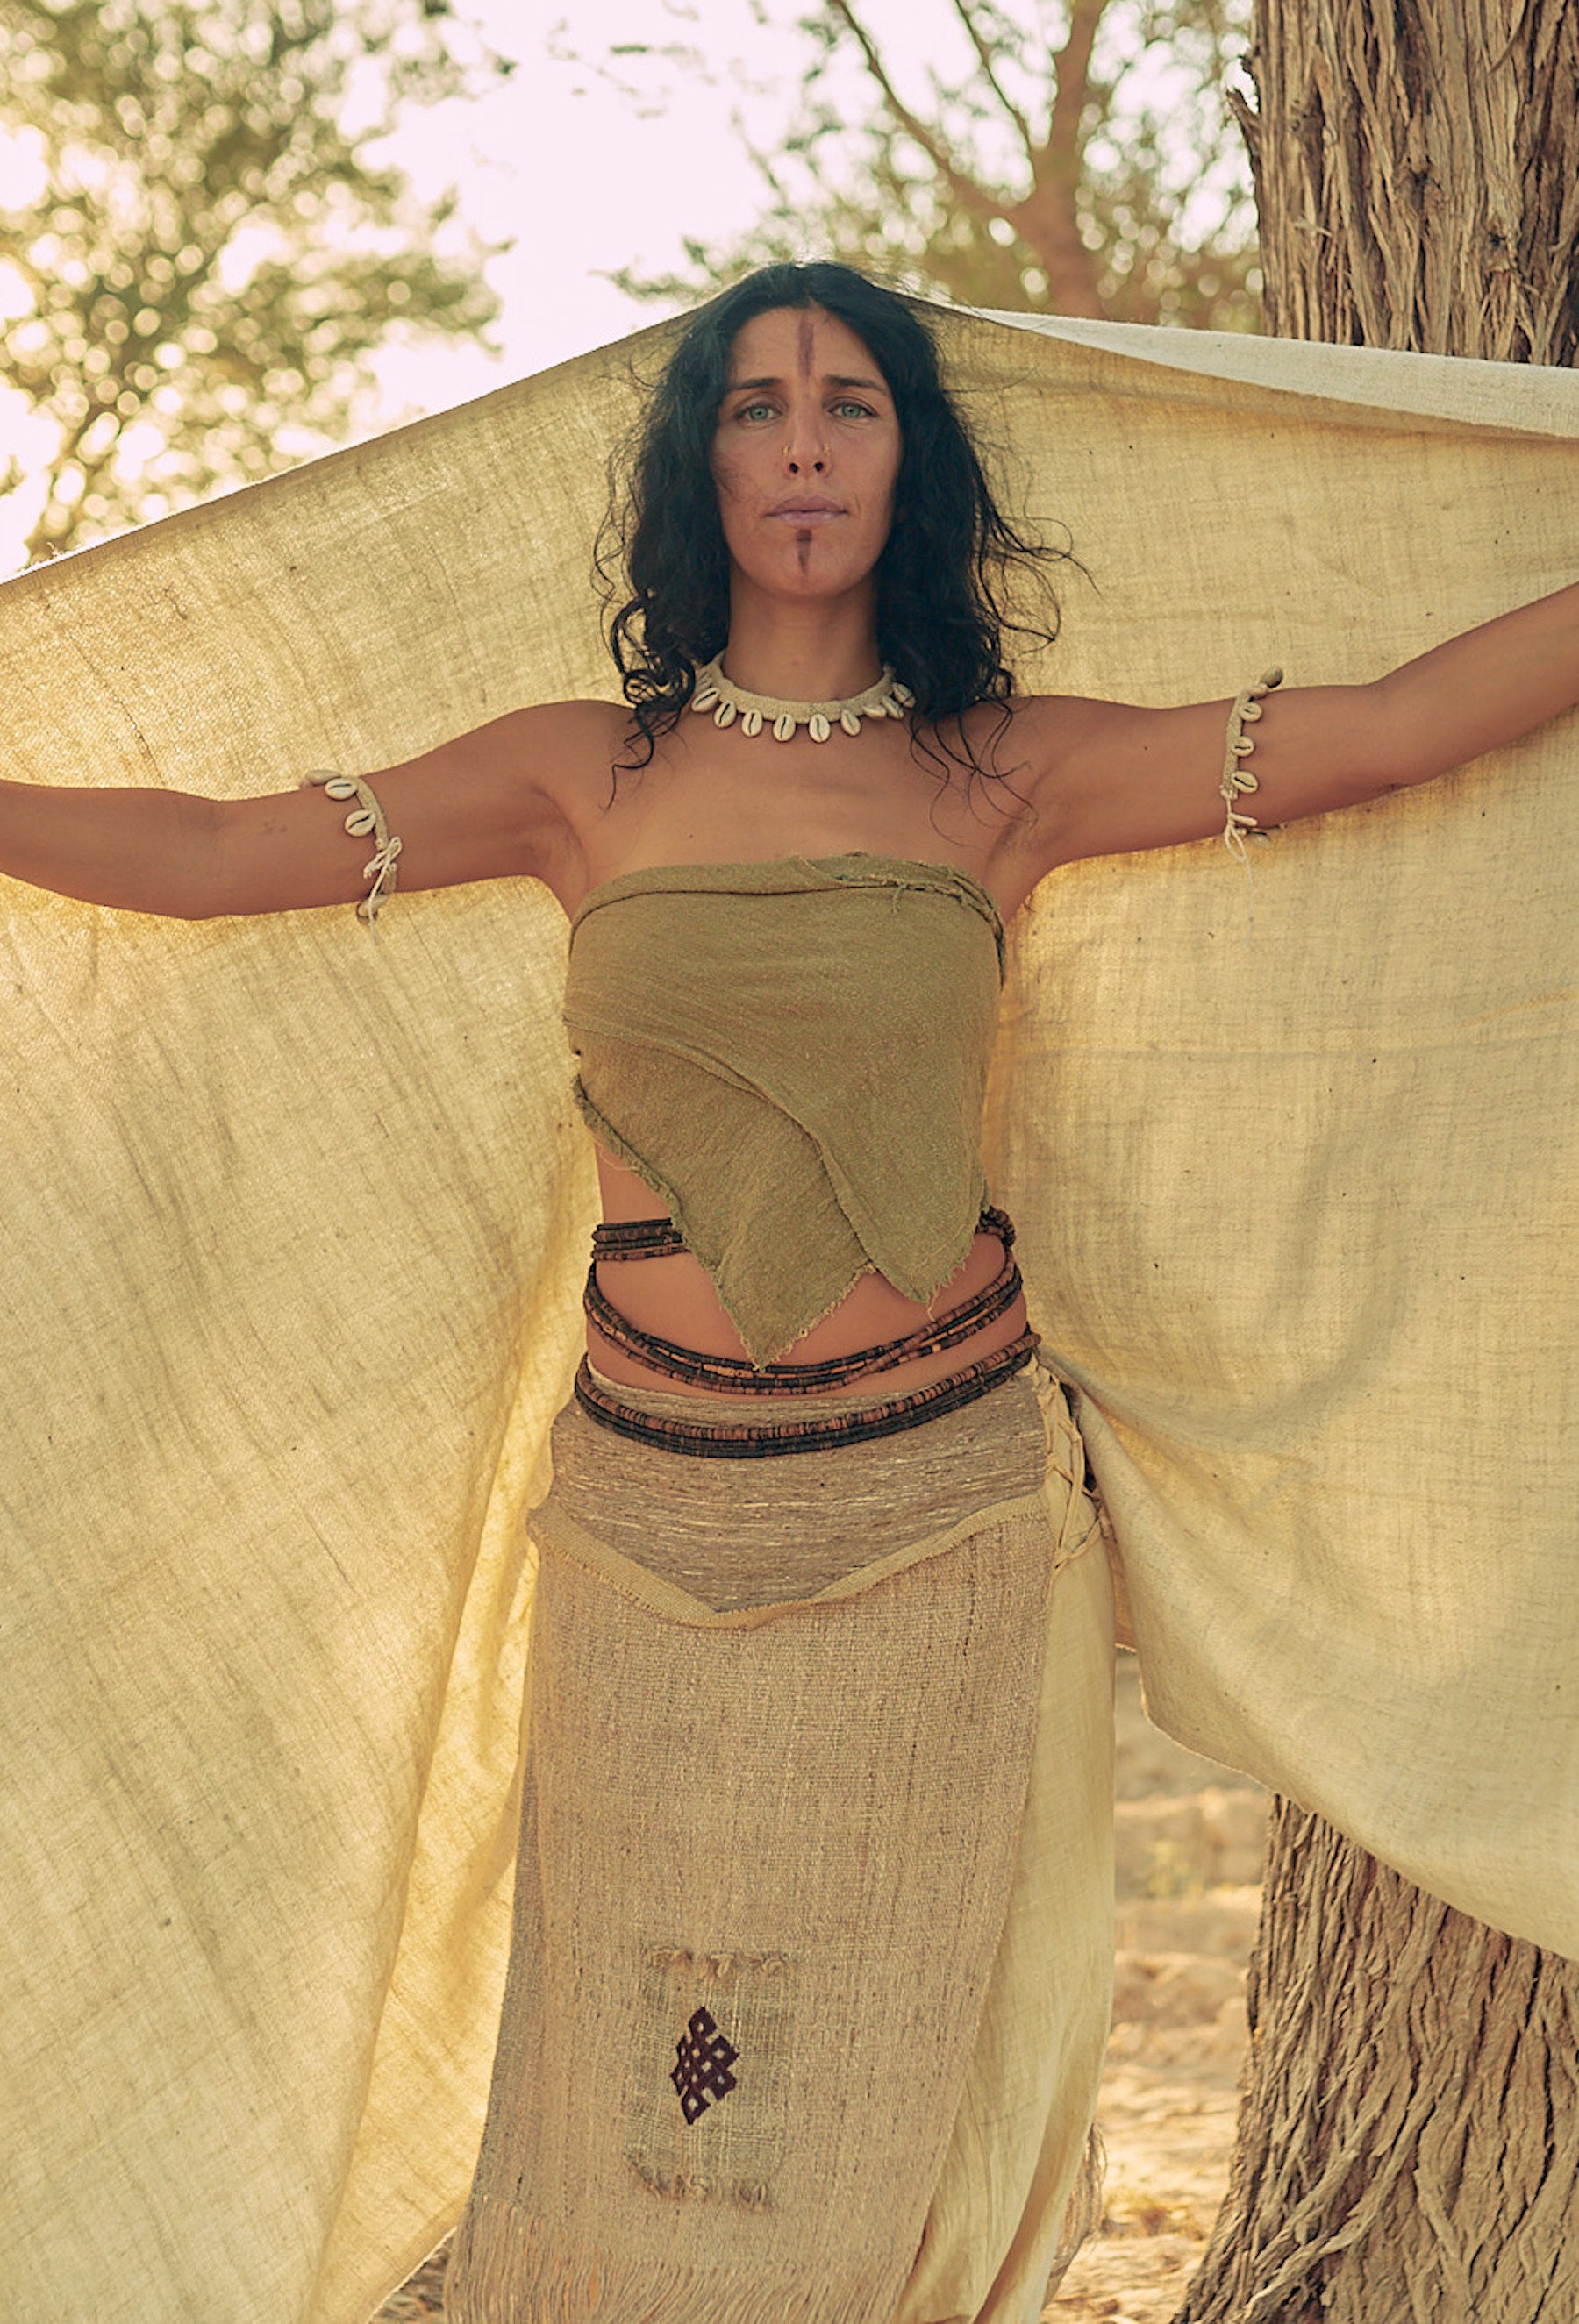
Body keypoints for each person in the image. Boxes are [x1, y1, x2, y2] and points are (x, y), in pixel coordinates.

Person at [4, 261, 1578, 2323]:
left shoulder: (998, 776)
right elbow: (219, 849)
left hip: (938, 1516)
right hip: (646, 1522)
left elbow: (1387, 733)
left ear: (911, 463)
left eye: (851, 405)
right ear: (704, 468)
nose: (807, 447)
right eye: (758, 407)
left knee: (892, 2087)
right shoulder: (584, 777)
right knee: (616, 2089)